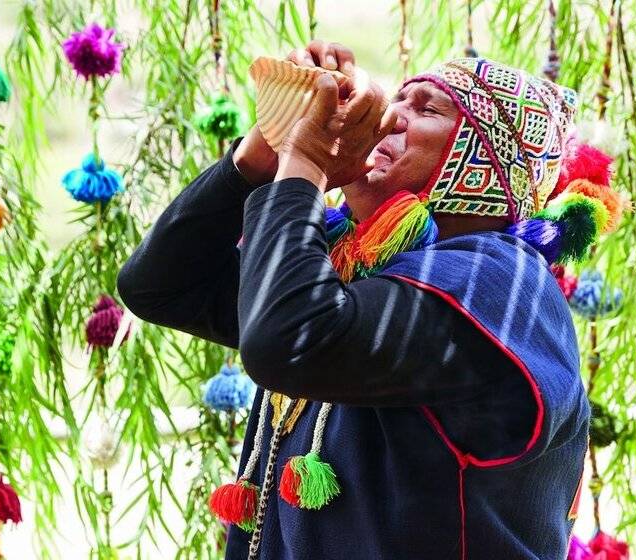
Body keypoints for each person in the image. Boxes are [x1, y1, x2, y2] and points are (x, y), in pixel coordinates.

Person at [118, 39, 593, 560]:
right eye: (399, 99)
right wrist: (263, 155)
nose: (388, 117)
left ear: (482, 166)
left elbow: (293, 340)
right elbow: (160, 287)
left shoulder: (501, 283)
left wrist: (306, 162)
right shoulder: (352, 267)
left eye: (426, 109)